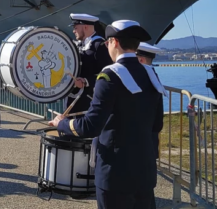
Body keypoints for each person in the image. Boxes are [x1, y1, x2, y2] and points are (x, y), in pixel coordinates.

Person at [49, 20, 164, 209]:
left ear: (114, 42)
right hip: (145, 169)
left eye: (107, 42)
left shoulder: (109, 76)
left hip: (115, 171)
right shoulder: (151, 74)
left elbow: (90, 126)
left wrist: (62, 123)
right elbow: (157, 124)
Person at [136, 42, 165, 209]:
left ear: (140, 60)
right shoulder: (153, 78)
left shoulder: (143, 80)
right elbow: (158, 122)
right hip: (148, 143)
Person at [66, 13, 112, 114]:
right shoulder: (82, 44)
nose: (74, 31)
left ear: (85, 27)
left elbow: (108, 75)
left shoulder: (99, 46)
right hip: (74, 99)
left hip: (89, 101)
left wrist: (86, 81)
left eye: (76, 28)